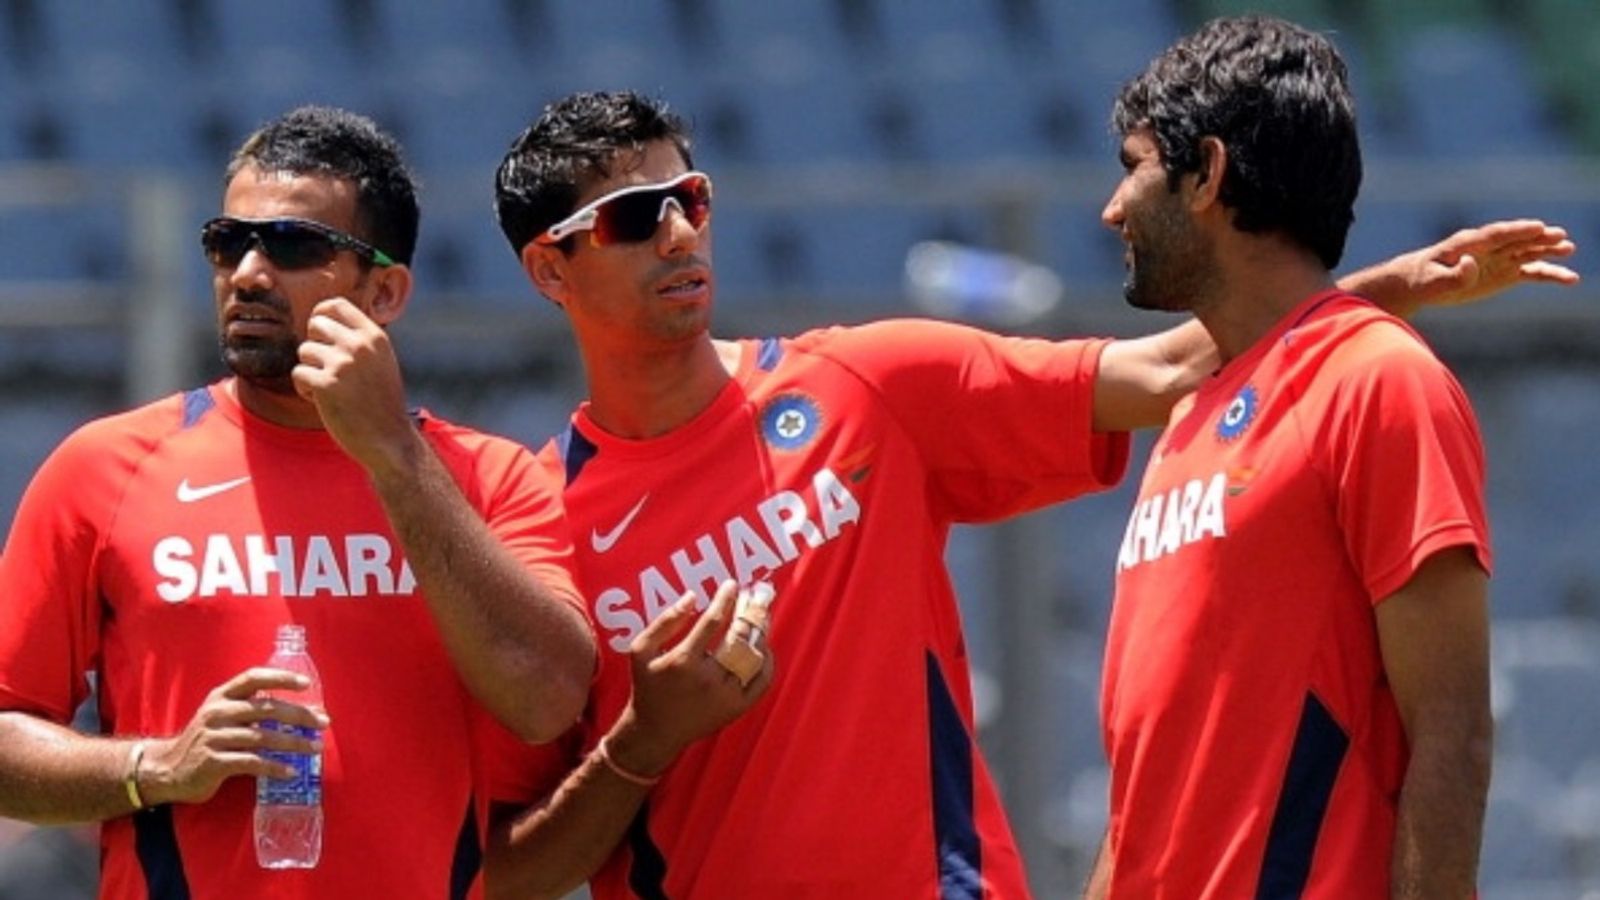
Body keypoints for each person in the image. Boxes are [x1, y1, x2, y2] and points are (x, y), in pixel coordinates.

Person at [481, 91, 1576, 899]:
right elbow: (512, 877)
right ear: (549, 270)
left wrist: (1373, 291)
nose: (679, 232)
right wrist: (647, 737)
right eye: (634, 218)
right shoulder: (539, 525)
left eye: (691, 198)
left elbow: (1163, 372)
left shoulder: (868, 381)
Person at [0, 106, 596, 899]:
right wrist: (158, 766)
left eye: (292, 246)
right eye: (227, 243)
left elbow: (549, 701)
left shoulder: (494, 480)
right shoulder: (104, 468)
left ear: (384, 291)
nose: (247, 272)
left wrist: (391, 454)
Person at [1086, 16, 1526, 898]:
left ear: (1207, 173)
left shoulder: (1379, 381)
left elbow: (1452, 731)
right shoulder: (1189, 417)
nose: (1113, 208)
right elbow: (1142, 801)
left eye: (1134, 167)